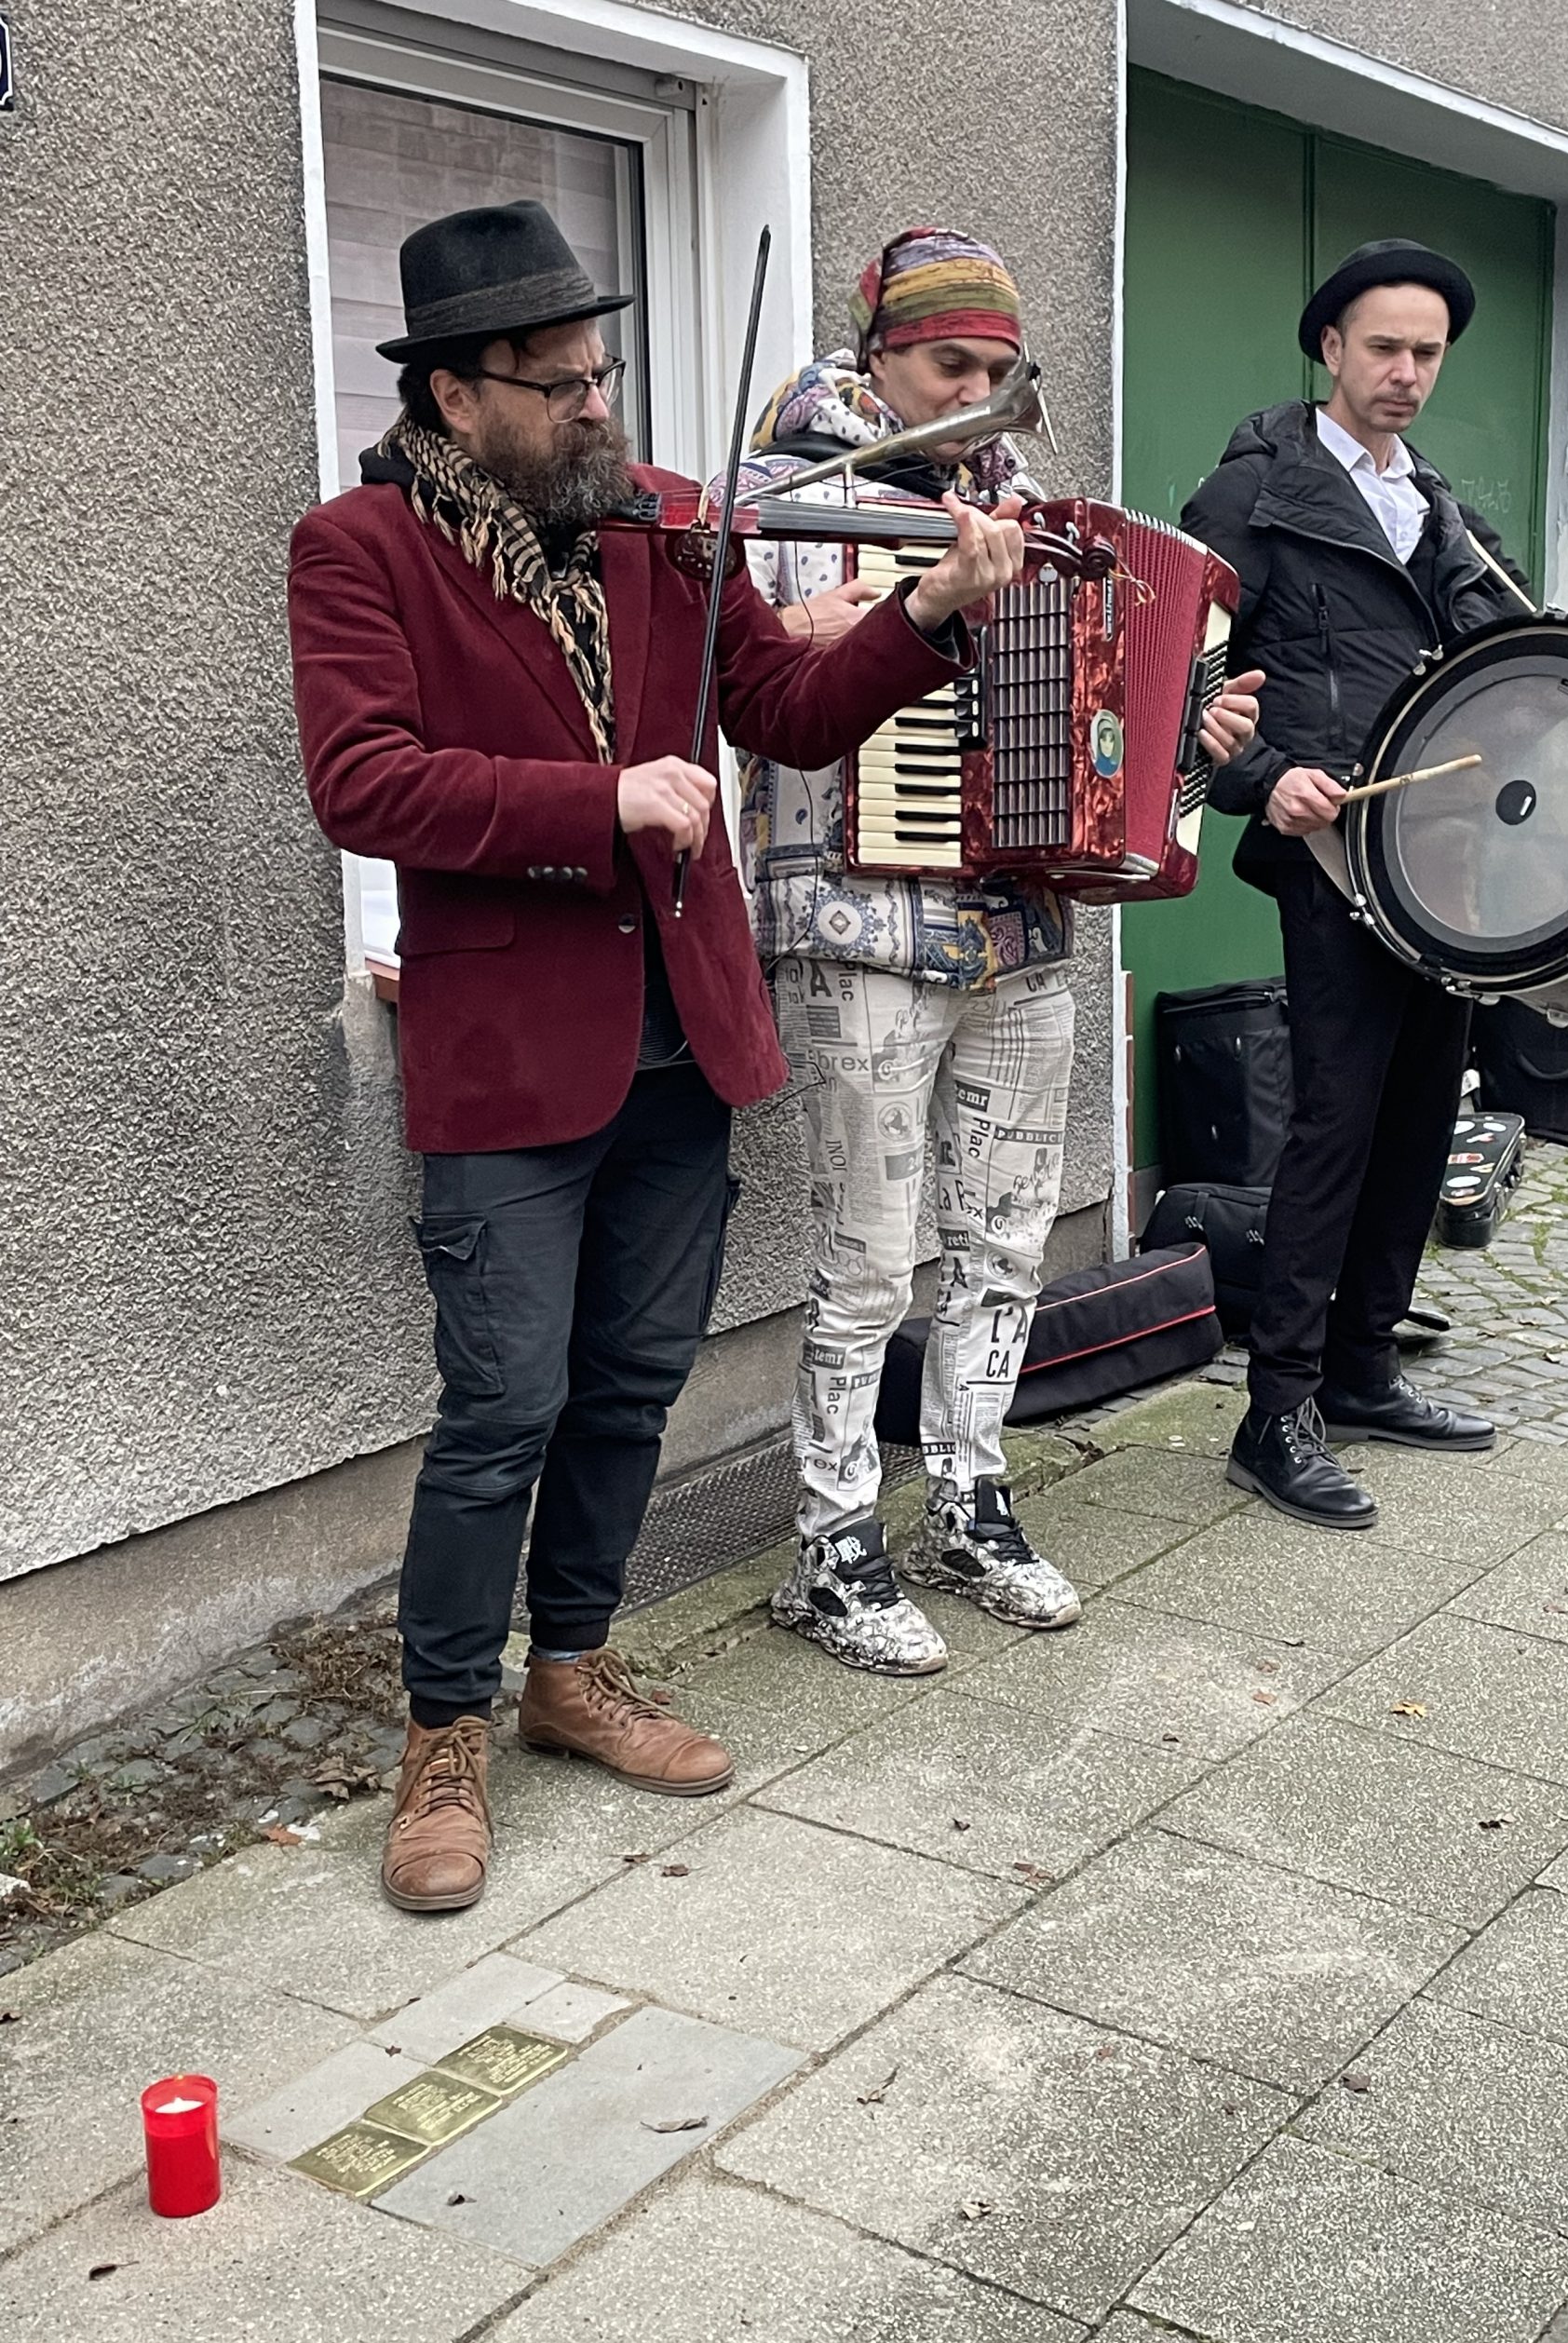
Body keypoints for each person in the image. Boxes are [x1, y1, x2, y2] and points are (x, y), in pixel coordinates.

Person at [288, 201, 1025, 1910]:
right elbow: (365, 784)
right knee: (501, 1412)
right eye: (559, 385)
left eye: (605, 371)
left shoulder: (659, 524)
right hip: (510, 1051)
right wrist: (595, 802)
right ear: (457, 396)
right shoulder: (360, 548)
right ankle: (444, 1736)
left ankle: (573, 1673)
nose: (599, 407)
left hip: (686, 1038)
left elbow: (785, 711)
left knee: (630, 1385)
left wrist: (928, 615)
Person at [728, 227, 1262, 1668]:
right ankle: (834, 1546)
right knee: (863, 1259)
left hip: (1021, 927)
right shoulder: (786, 495)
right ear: (877, 349)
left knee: (1009, 1238)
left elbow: (1102, 722)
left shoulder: (1029, 511)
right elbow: (763, 698)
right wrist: (889, 611)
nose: (974, 390)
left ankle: (970, 1496)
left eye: (993, 369)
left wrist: (1184, 748)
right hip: (860, 920)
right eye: (948, 364)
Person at [1183, 239, 1568, 1530]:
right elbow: (1186, 680)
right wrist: (1266, 781)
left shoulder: (1438, 506)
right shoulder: (1254, 493)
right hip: (1341, 852)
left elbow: (1502, 668)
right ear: (1330, 349)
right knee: (1335, 1127)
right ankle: (1274, 1411)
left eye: (1427, 353)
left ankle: (1358, 1372)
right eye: (1384, 348)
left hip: (1448, 862)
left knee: (1421, 1118)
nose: (1406, 372)